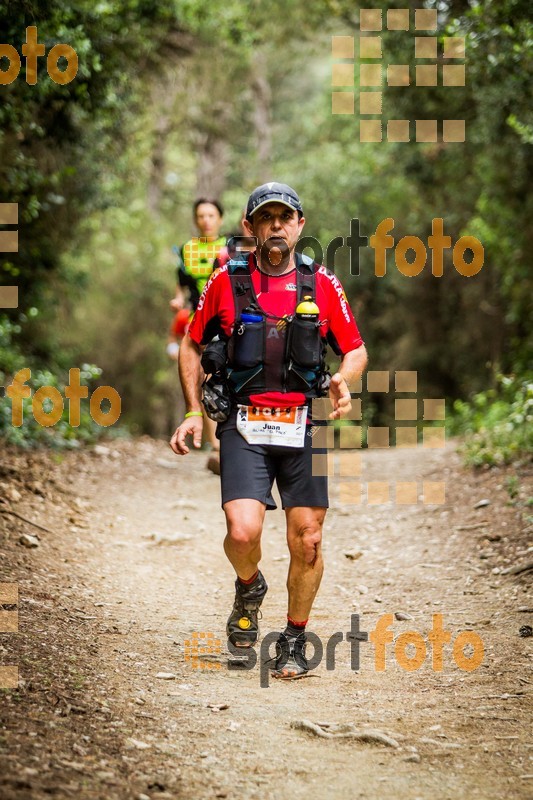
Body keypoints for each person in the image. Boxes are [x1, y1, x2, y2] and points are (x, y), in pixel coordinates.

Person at [170, 182, 368, 679]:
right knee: (242, 533)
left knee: (308, 541)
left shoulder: (322, 283)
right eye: (267, 218)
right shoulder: (225, 280)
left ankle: (295, 638)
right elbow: (193, 345)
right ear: (250, 227)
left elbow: (356, 348)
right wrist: (194, 411)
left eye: (286, 217)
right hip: (244, 423)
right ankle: (249, 584)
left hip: (305, 425)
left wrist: (343, 380)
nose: (276, 225)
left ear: (300, 226)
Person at [170, 199, 226, 471]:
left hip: (227, 319)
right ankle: (217, 445)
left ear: (220, 219)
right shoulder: (187, 249)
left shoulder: (231, 247)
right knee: (204, 378)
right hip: (198, 320)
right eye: (201, 215)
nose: (206, 220)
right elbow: (181, 286)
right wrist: (177, 301)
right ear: (195, 219)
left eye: (211, 215)